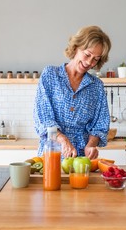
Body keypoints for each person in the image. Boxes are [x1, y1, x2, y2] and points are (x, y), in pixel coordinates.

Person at [33, 25, 111, 160]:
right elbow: (43, 117)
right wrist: (63, 140)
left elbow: (100, 124)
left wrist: (91, 145)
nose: (89, 62)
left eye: (95, 59)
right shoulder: (50, 75)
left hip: (82, 160)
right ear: (76, 47)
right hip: (52, 154)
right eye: (87, 54)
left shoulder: (96, 86)